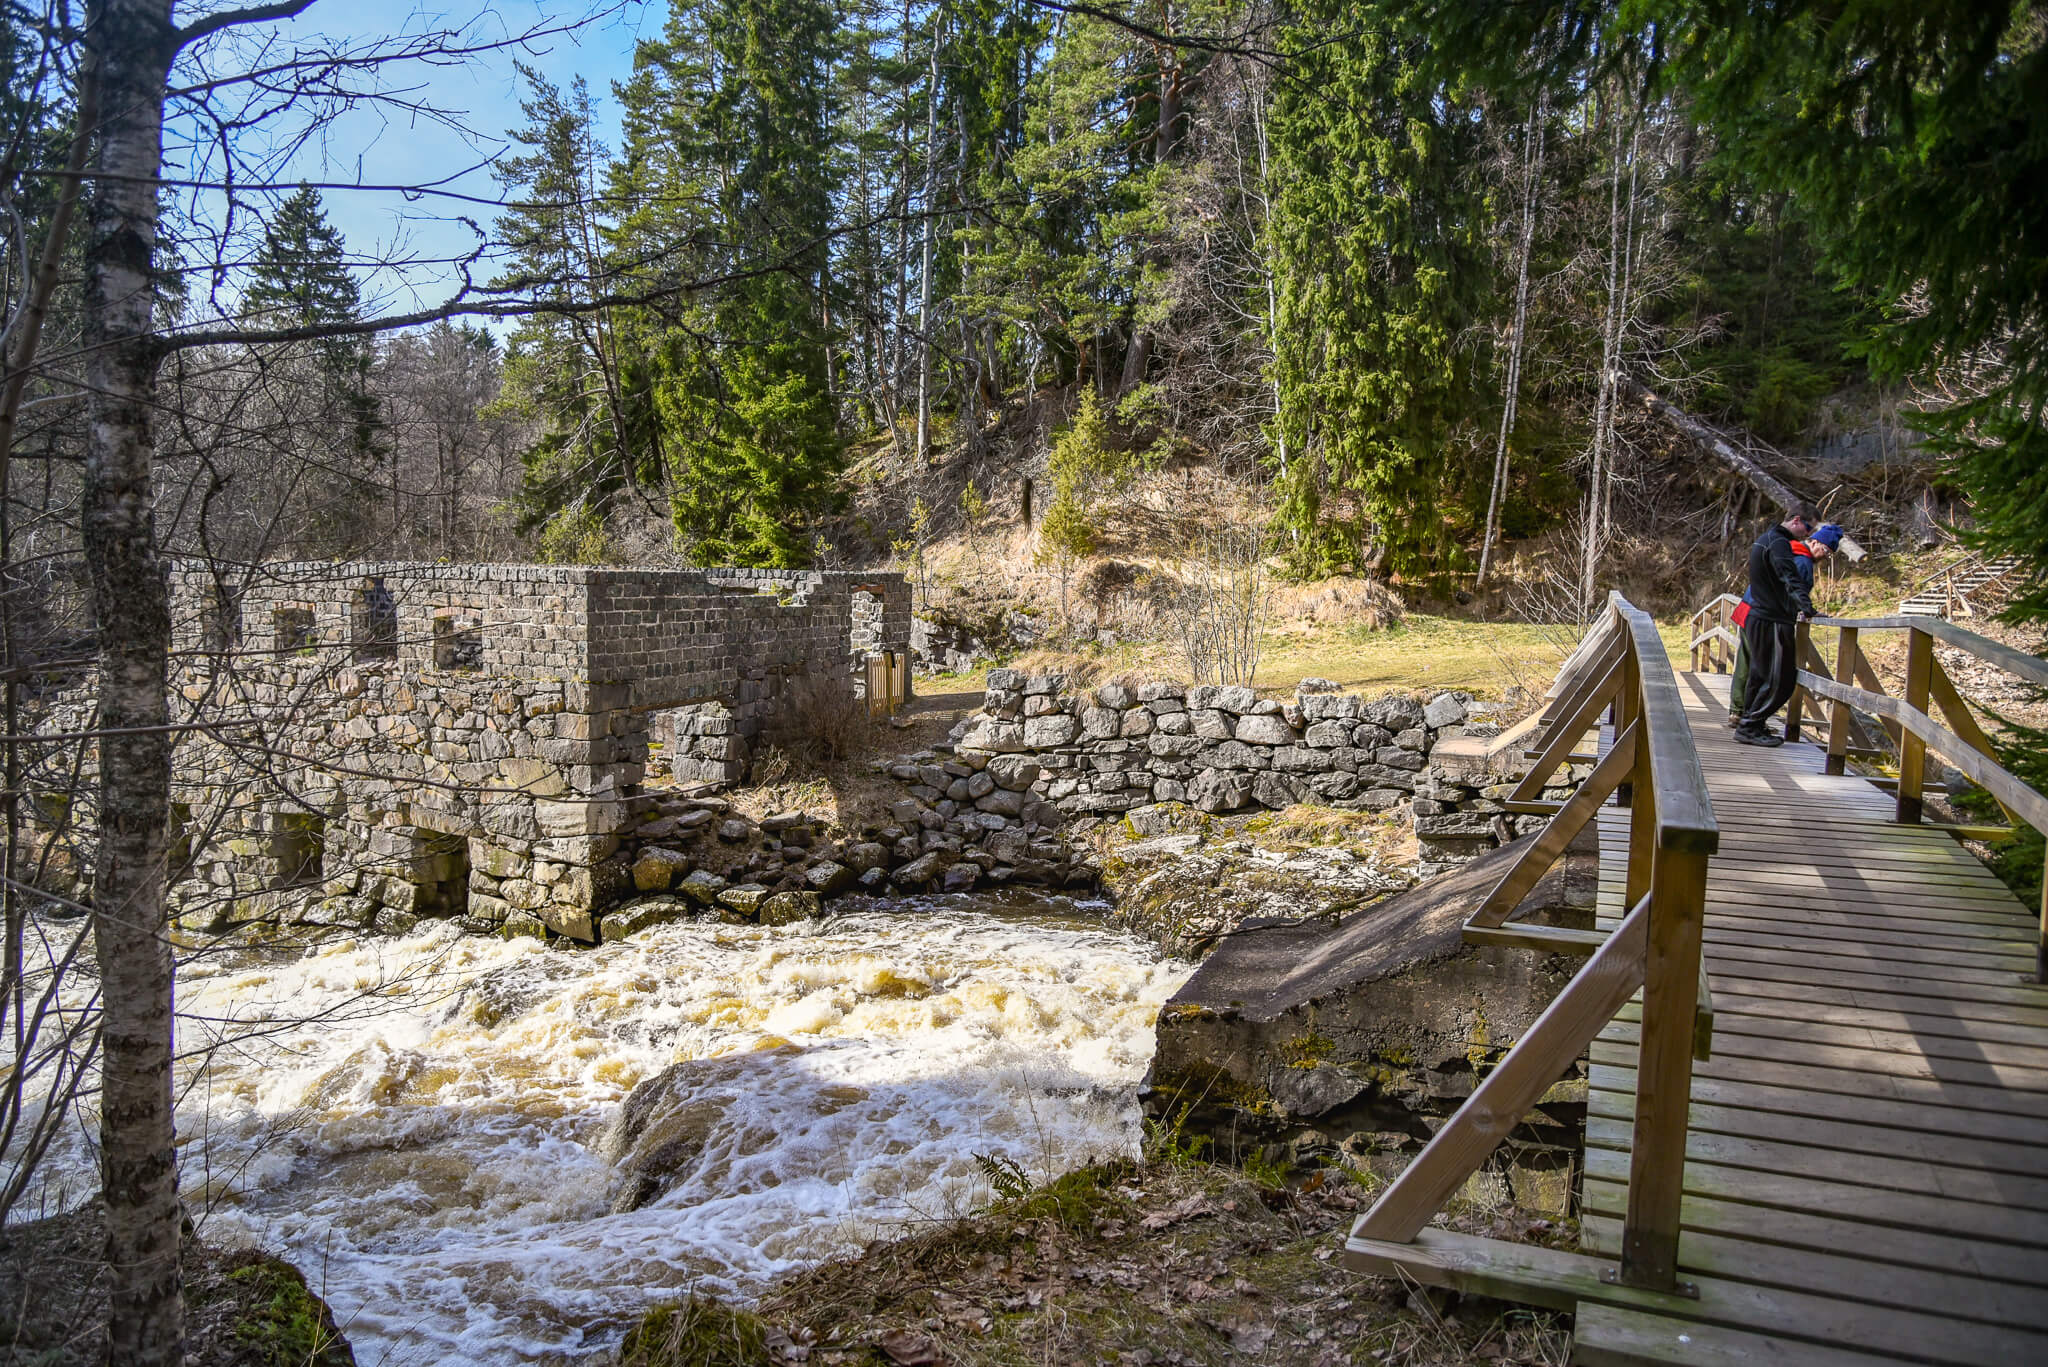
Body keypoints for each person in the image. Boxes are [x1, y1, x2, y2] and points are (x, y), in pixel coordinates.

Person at [1728, 522, 1841, 721]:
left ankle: (1738, 711)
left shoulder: (1787, 549)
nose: (1825, 556)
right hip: (1763, 614)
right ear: (1814, 542)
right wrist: (1807, 611)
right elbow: (1790, 590)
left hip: (1750, 608)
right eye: (1826, 550)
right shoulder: (1802, 562)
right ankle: (1746, 715)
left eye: (1830, 553)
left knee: (1747, 661)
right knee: (1759, 666)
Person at [1734, 505, 1823, 746]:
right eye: (1808, 528)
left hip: (1762, 616)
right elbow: (1788, 577)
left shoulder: (1767, 539)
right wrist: (1806, 606)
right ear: (1796, 520)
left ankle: (1752, 723)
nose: (1807, 534)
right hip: (1771, 618)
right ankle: (1750, 726)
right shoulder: (1778, 544)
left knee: (1761, 674)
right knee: (1781, 679)